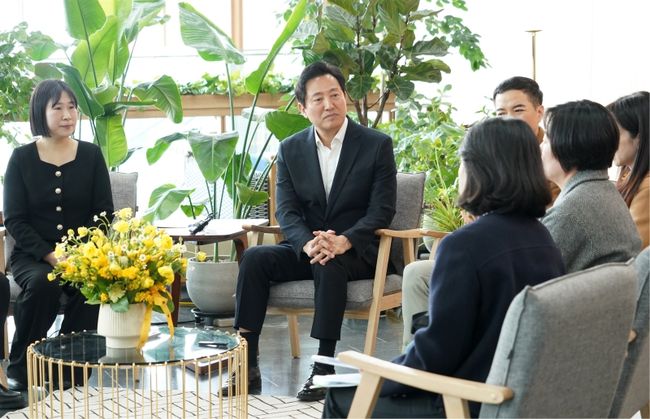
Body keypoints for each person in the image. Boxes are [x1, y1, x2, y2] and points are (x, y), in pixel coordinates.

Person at [323, 118, 566, 418]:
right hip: (517, 397)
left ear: (478, 169)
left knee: (340, 397)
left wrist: (379, 375)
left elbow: (435, 356)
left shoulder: (464, 246)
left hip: (463, 401)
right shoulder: (542, 238)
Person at [225, 61, 396, 401]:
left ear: (345, 96)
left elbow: (382, 209)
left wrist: (344, 241)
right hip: (309, 247)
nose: (329, 104)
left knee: (329, 264)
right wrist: (306, 244)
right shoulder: (290, 149)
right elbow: (286, 210)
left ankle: (323, 367)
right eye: (318, 99)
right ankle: (248, 363)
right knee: (255, 259)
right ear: (304, 108)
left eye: (335, 95)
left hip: (358, 251)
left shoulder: (376, 144)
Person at [401, 76, 558, 348]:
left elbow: (436, 354)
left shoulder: (549, 156)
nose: (508, 119)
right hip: (513, 352)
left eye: (518, 110)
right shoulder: (542, 238)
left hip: (469, 371)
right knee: (420, 274)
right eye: (501, 113)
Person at [2, 79, 114, 391]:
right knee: (43, 283)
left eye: (72, 107)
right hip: (33, 255)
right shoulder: (21, 158)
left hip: (83, 254)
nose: (67, 115)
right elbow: (15, 219)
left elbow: (104, 213)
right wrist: (50, 255)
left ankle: (70, 370)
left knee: (91, 287)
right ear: (41, 112)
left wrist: (80, 253)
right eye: (58, 108)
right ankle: (22, 367)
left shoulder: (91, 155)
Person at [540, 99, 641, 272]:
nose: (540, 147)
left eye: (546, 141)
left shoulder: (569, 212)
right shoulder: (603, 190)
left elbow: (530, 278)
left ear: (567, 147)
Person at [607, 91, 649, 247]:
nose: (608, 141)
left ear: (639, 138)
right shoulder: (629, 175)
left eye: (615, 134)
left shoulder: (647, 189)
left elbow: (631, 249)